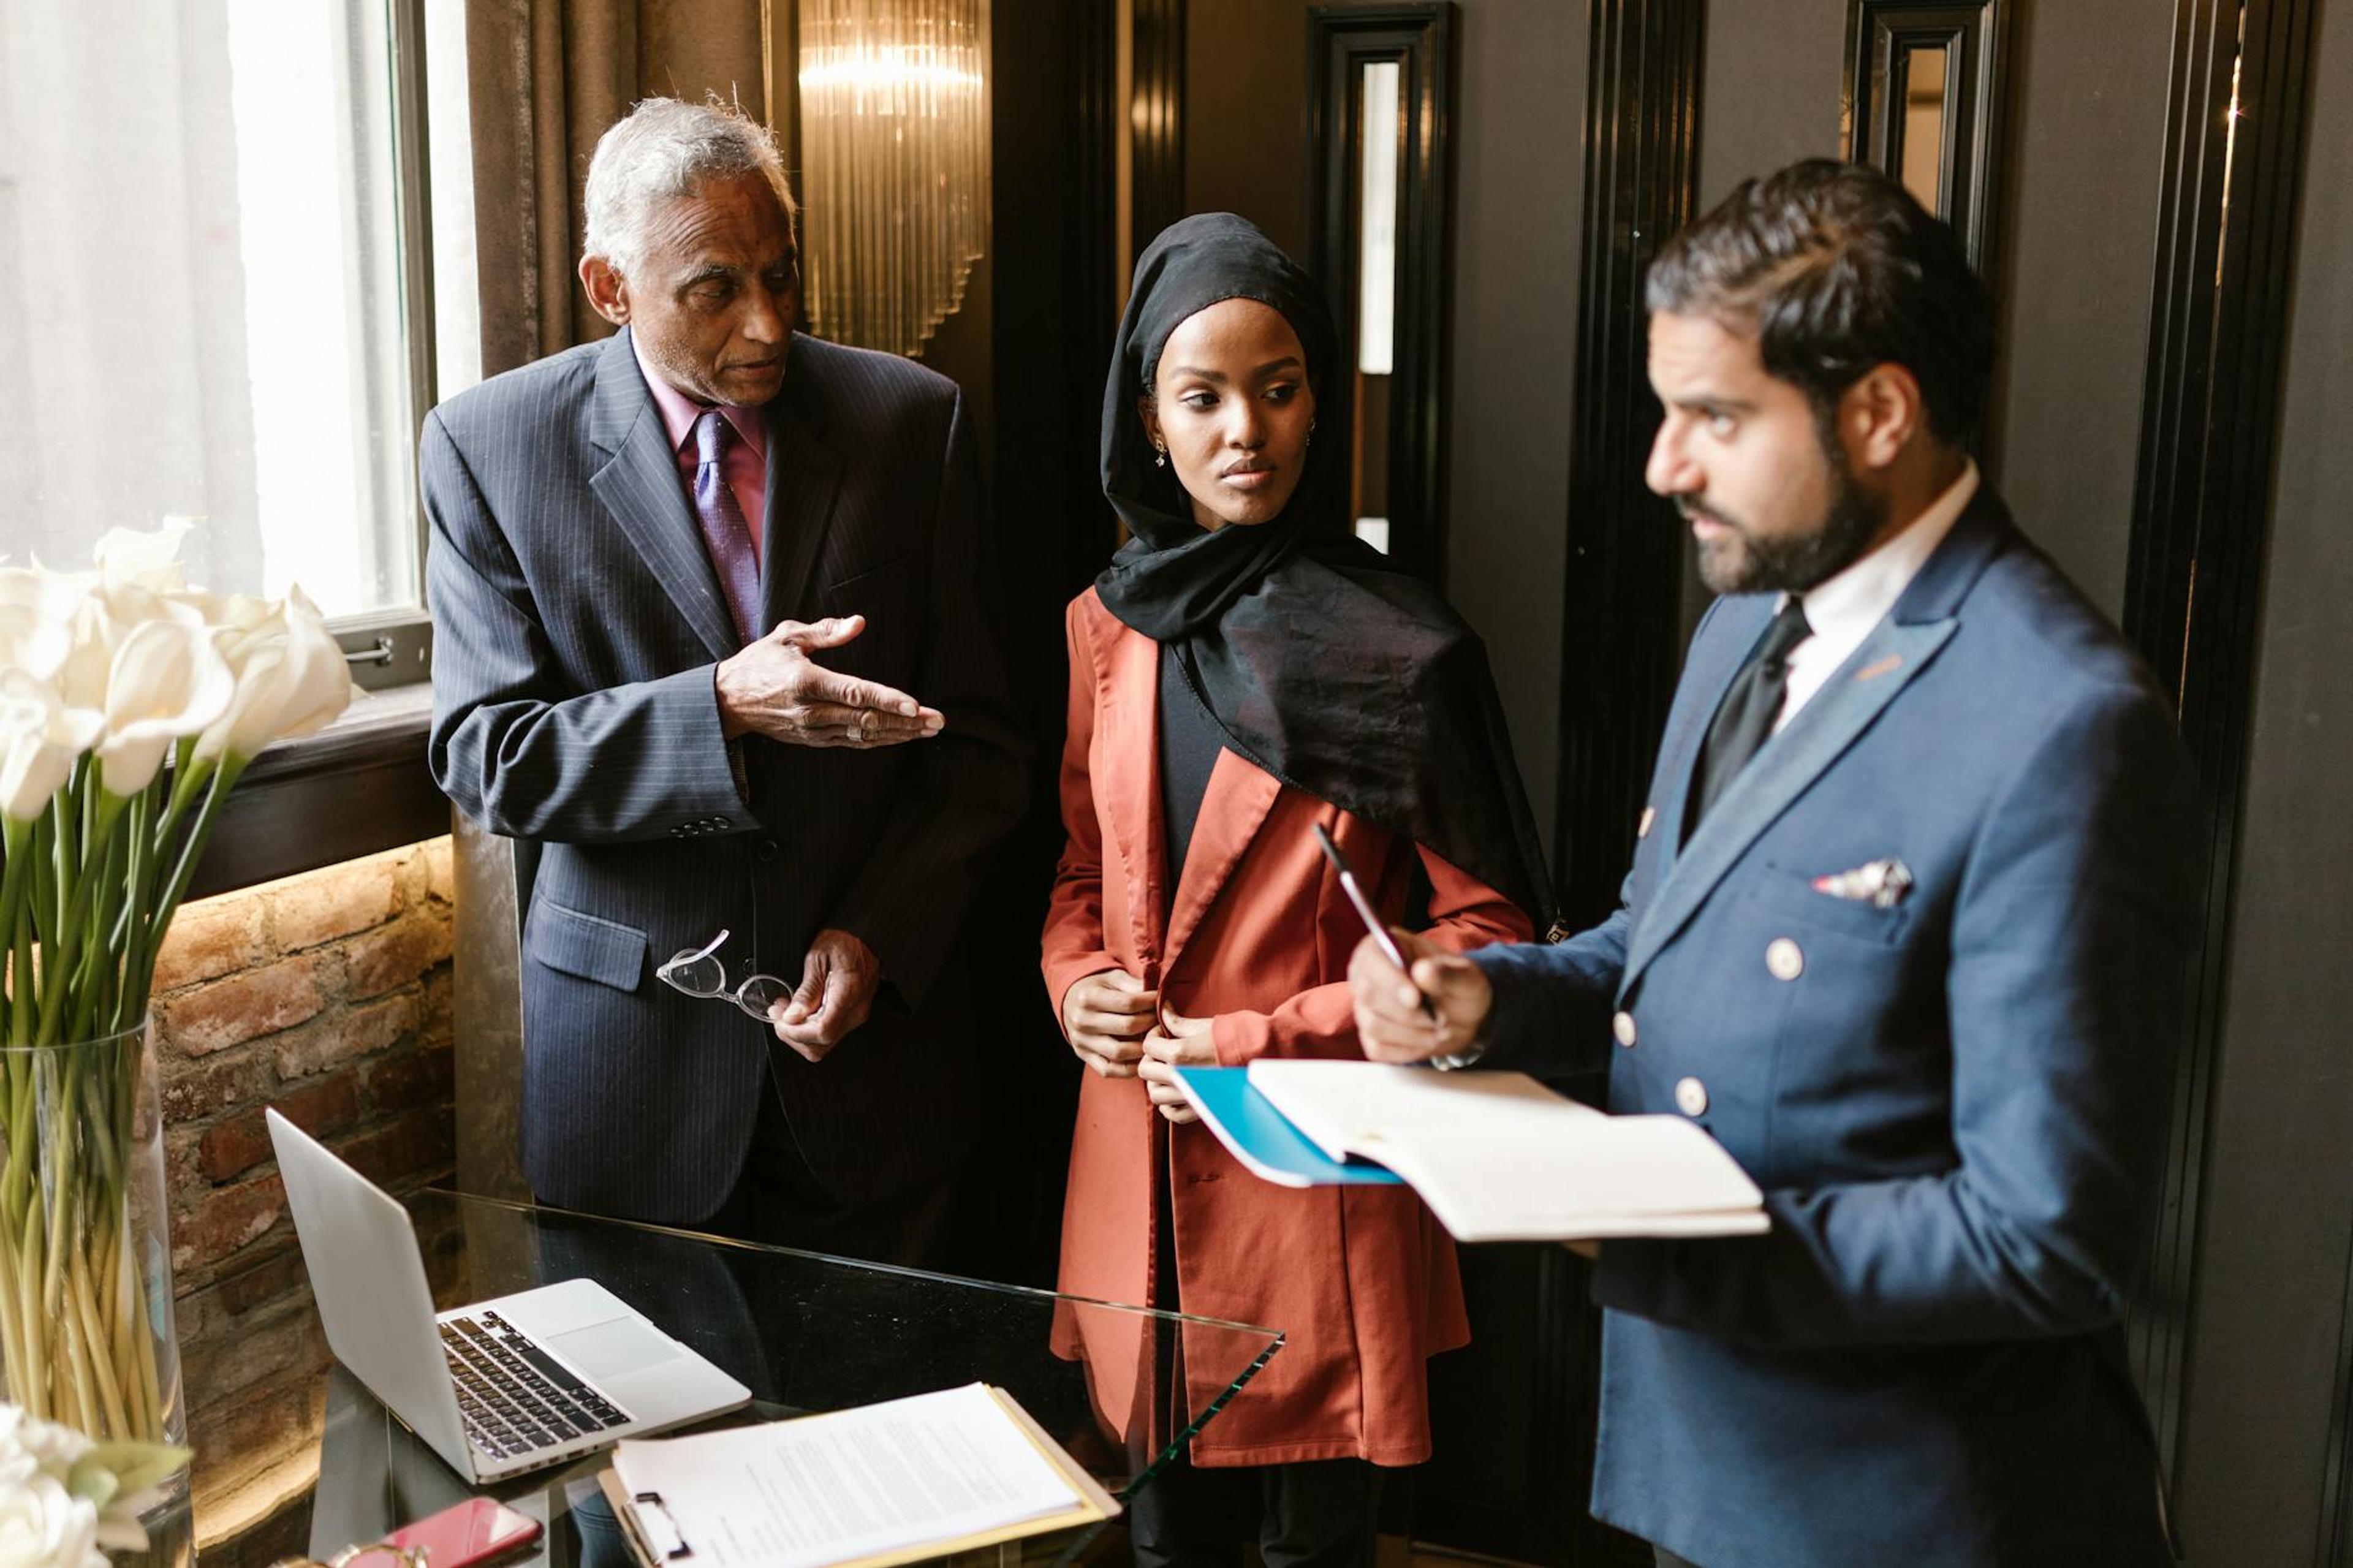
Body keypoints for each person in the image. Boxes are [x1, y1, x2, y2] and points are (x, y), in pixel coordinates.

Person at [1351, 159, 2200, 1568]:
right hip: (1704, 1469)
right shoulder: (1743, 627)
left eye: (1716, 418)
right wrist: (1491, 1000)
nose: (1661, 465)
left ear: (1877, 412)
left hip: (1919, 1513)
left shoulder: (2065, 723)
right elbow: (1660, 939)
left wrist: (1648, 1241)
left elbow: (2046, 1238)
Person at [424, 98, 1026, 1265]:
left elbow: (984, 746)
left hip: (872, 1080)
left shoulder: (912, 422)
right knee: (640, 1443)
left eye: (781, 273)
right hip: (625, 1083)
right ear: (610, 287)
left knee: (881, 1437)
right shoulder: (488, 447)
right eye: (714, 288)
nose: (768, 323)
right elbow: (488, 757)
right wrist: (719, 708)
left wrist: (880, 933)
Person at [1041, 213, 1555, 1567]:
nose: (1245, 431)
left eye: (1279, 388)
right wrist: (1076, 982)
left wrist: (1256, 1040)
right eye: (1201, 397)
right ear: (1150, 419)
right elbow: (1081, 872)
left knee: (1313, 1554)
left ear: (1322, 398)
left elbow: (1494, 933)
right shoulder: (1106, 623)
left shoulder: (1408, 647)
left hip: (1317, 1181)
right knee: (1158, 1546)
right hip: (1134, 1183)